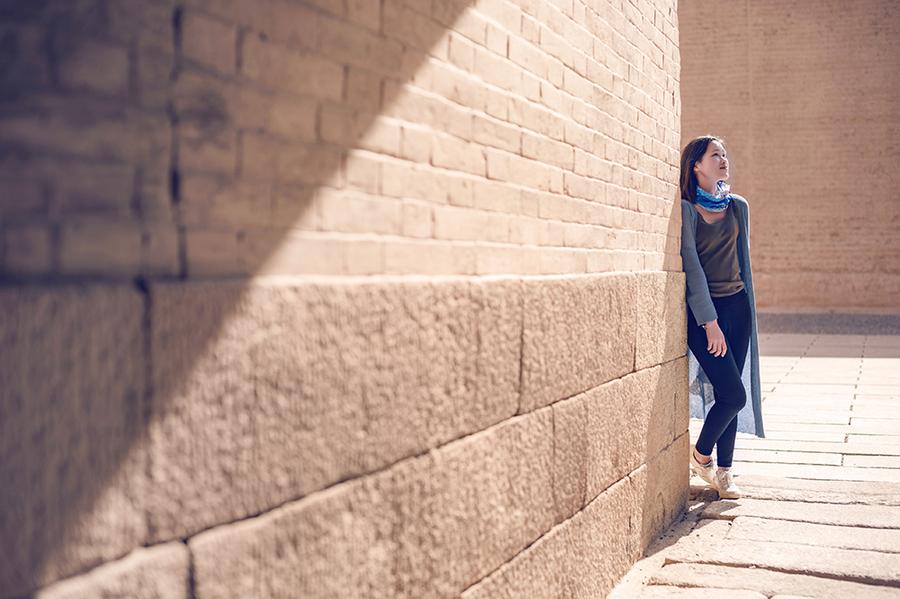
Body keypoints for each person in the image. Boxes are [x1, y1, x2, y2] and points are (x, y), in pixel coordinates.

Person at [680, 135, 765, 500]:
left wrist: (742, 309)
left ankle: (725, 472)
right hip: (705, 315)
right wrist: (709, 322)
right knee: (733, 394)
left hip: (738, 308)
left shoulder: (737, 207)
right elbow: (693, 267)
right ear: (697, 165)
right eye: (716, 155)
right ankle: (702, 456)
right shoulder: (686, 209)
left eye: (725, 154)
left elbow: (742, 265)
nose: (723, 159)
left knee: (728, 395)